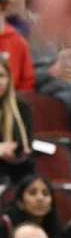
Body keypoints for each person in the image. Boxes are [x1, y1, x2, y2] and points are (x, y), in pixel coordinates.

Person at [0, 56, 31, 188]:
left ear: (9, 79)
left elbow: (24, 146)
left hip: (15, 174)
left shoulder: (21, 107)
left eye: (1, 76)